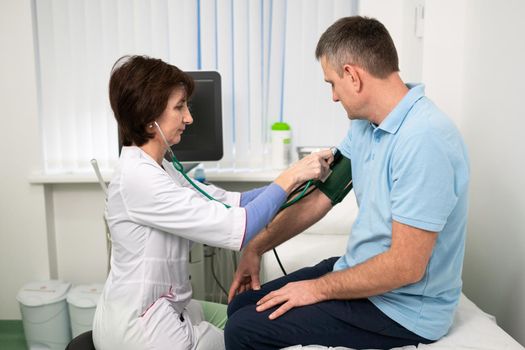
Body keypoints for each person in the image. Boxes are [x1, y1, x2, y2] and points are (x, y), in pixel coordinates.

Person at [225, 16, 470, 350]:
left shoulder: (425, 140)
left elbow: (406, 267)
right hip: (365, 274)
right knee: (241, 307)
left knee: (244, 329)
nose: (334, 98)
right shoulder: (366, 127)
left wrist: (317, 288)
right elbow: (319, 199)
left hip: (403, 308)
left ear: (353, 76)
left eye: (332, 83)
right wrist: (256, 247)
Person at [92, 55, 333, 350]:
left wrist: (294, 180)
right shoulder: (139, 179)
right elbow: (241, 227)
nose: (189, 118)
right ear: (148, 118)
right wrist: (292, 175)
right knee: (247, 336)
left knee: (241, 315)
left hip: (166, 308)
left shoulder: (160, 168)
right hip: (141, 330)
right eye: (179, 107)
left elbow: (235, 202)